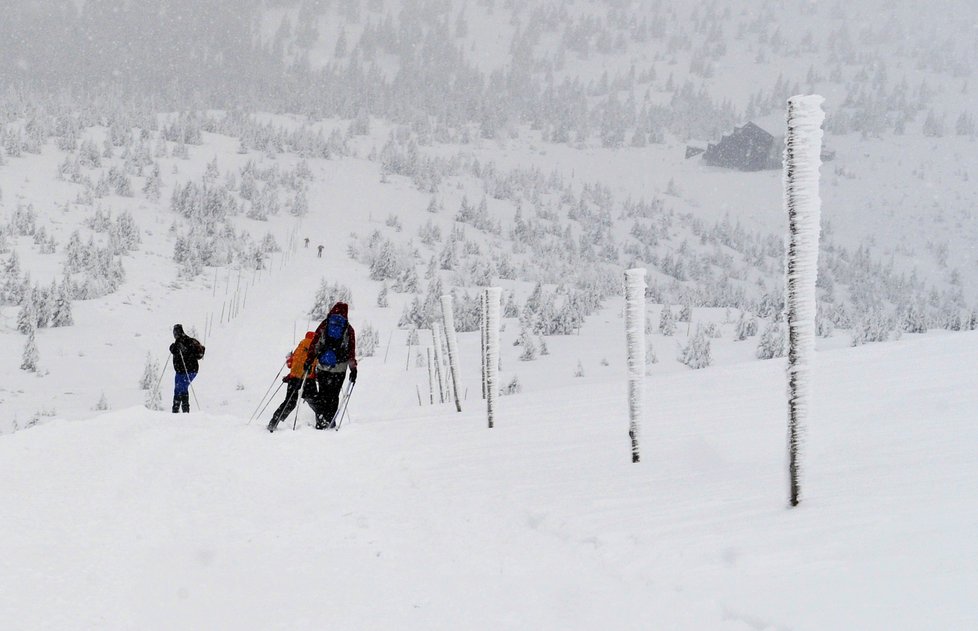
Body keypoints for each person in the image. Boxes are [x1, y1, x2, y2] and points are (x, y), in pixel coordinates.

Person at [305, 302, 358, 429]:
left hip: (323, 367)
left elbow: (315, 343)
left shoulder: (325, 324)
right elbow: (351, 351)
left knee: (323, 394)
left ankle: (320, 421)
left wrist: (309, 360)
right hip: (339, 369)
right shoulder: (348, 329)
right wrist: (353, 369)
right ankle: (330, 422)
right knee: (333, 396)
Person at [267, 332, 319, 432]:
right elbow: (315, 365)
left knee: (289, 403)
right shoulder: (315, 347)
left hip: (294, 380)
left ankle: (273, 423)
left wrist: (290, 376)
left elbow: (291, 364)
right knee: (316, 404)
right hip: (308, 380)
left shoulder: (300, 346)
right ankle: (321, 424)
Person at [169, 324, 205, 413]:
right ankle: (178, 410)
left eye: (175, 332)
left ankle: (182, 410)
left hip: (189, 370)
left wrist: (182, 350)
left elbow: (190, 353)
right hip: (180, 371)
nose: (174, 334)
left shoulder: (186, 341)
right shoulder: (179, 342)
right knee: (179, 388)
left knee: (181, 387)